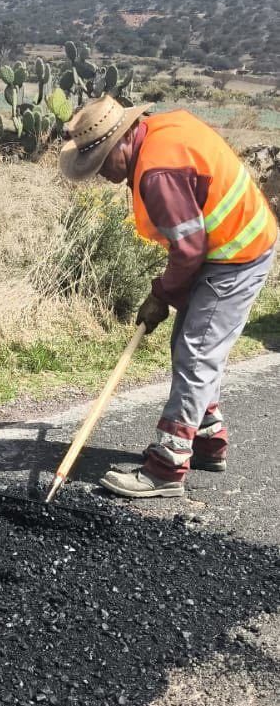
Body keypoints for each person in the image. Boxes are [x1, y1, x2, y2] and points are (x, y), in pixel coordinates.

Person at [58, 95, 277, 499]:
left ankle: (166, 466)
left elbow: (189, 250)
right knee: (188, 345)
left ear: (123, 141)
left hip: (235, 254)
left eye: (104, 162)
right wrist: (166, 295)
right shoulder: (160, 130)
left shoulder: (157, 171)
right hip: (223, 246)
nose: (104, 175)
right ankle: (209, 442)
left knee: (196, 353)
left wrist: (159, 297)